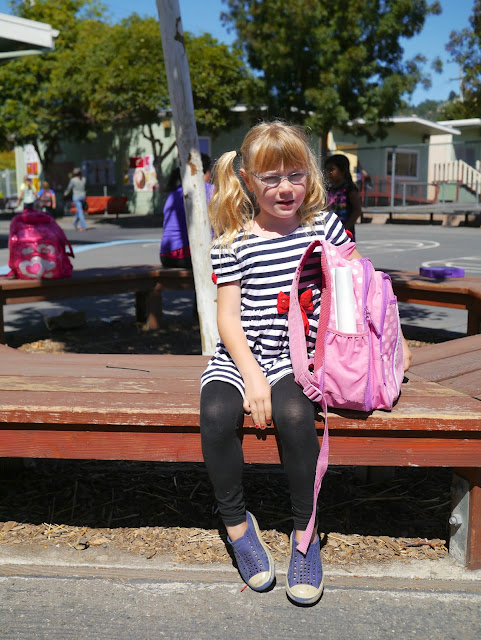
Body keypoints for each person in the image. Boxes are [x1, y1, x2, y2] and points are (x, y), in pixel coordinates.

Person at [200, 121, 412, 606]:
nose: (285, 188)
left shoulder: (325, 227)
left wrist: (392, 342)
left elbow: (365, 288)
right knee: (215, 415)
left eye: (295, 175)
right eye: (271, 177)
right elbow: (227, 319)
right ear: (248, 179)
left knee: (296, 417)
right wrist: (252, 376)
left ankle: (305, 533)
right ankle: (237, 527)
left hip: (299, 358)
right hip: (242, 357)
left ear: (309, 175)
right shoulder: (232, 241)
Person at [160, 153, 214, 268]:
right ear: (205, 171)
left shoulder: (174, 193)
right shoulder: (209, 190)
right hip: (188, 254)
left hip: (166, 255)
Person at [324, 154, 363, 241]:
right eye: (327, 170)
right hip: (331, 232)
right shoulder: (330, 189)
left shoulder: (349, 189)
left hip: (345, 234)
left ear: (343, 170)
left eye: (331, 170)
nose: (328, 173)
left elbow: (357, 210)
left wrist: (345, 228)